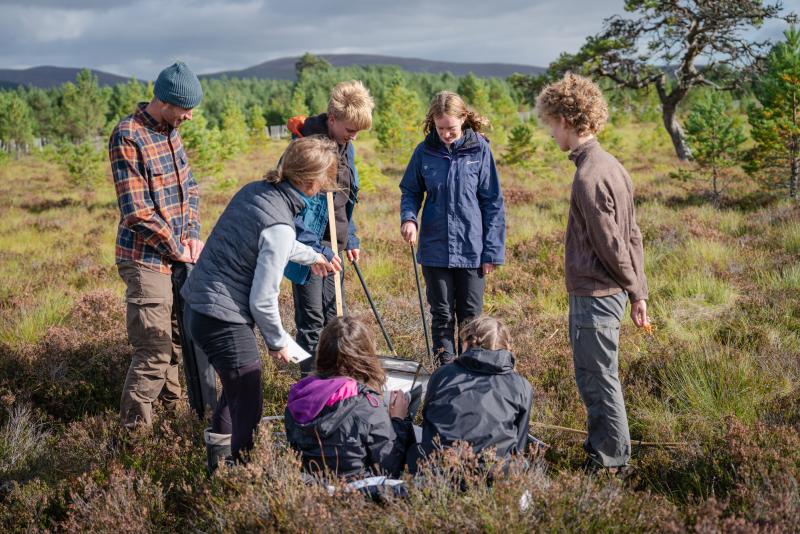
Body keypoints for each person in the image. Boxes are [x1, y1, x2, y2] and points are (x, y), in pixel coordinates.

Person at [181, 137, 341, 470]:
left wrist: (314, 256)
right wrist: (277, 342)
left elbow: (275, 241)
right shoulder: (280, 223)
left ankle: (218, 466)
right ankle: (243, 476)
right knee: (249, 402)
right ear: (312, 182)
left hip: (199, 306)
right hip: (221, 316)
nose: (326, 185)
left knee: (236, 390)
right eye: (325, 178)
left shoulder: (257, 191)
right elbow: (263, 300)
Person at [536, 73, 650, 472]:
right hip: (609, 294)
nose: (551, 133)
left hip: (596, 298)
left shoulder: (590, 176)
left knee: (598, 382)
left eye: (551, 124)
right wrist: (639, 293)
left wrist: (635, 290)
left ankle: (609, 463)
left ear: (566, 120)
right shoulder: (612, 166)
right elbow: (633, 235)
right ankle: (606, 454)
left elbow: (614, 245)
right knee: (600, 379)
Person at [109, 61, 204, 429]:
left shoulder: (171, 132)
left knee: (177, 343)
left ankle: (171, 428)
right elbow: (136, 212)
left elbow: (190, 190)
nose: (190, 117)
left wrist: (192, 235)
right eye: (186, 109)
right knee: (153, 349)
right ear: (164, 102)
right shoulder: (128, 135)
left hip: (178, 255)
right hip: (145, 259)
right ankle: (134, 444)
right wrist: (175, 247)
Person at [399, 91, 506, 366]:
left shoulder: (480, 149)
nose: (446, 134)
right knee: (442, 315)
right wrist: (409, 219)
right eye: (441, 128)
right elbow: (410, 191)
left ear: (464, 119)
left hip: (473, 250)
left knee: (471, 317)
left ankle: (471, 372)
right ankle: (445, 373)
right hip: (435, 250)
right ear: (433, 123)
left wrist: (492, 252)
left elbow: (493, 202)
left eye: (452, 128)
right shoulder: (424, 152)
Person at [285, 80, 375, 375]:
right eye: (350, 130)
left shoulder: (345, 145)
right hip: (307, 248)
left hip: (334, 244)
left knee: (335, 316)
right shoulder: (304, 148)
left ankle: (337, 379)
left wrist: (352, 237)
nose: (354, 137)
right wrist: (315, 248)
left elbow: (343, 199)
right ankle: (311, 385)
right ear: (332, 120)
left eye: (358, 132)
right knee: (311, 322)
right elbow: (290, 205)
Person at [284, 315, 413, 480]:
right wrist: (398, 420)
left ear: (322, 352)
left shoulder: (299, 396)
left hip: (311, 492)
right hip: (360, 494)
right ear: (366, 356)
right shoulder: (367, 405)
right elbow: (389, 467)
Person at [411, 315, 532, 471]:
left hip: (439, 472)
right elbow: (520, 446)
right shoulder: (521, 386)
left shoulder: (442, 375)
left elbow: (428, 425)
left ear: (466, 343)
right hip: (494, 477)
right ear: (507, 348)